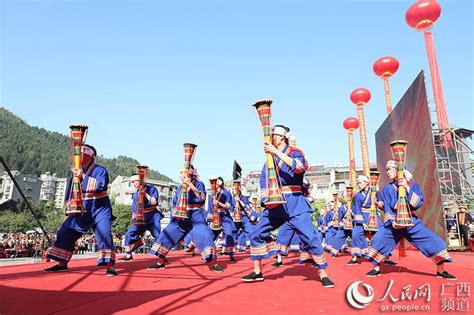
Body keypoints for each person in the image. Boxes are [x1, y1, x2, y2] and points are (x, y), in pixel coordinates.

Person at [241, 125, 334, 288]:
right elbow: (264, 181)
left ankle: (323, 273)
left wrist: (275, 152)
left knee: (310, 237)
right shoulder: (269, 160)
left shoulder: (294, 152)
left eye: (273, 136)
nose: (270, 140)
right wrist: (265, 200)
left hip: (296, 203)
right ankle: (257, 271)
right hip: (276, 204)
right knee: (256, 233)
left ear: (281, 137)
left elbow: (299, 168)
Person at [366, 160, 456, 279]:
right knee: (378, 240)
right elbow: (388, 208)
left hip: (410, 222)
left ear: (398, 169)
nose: (387, 172)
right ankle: (376, 268)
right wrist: (384, 210)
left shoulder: (411, 184)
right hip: (393, 224)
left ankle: (441, 271)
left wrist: (406, 188)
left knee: (435, 242)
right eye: (386, 169)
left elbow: (418, 202)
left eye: (389, 169)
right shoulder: (387, 188)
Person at [44, 144, 117, 276]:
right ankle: (62, 263)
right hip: (82, 208)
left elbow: (100, 186)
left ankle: (110, 266)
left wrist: (83, 176)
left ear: (90, 156)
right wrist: (69, 207)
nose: (78, 157)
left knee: (104, 234)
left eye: (81, 154)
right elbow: (70, 193)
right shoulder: (74, 176)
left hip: (100, 208)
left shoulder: (100, 170)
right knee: (65, 231)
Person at [148, 165, 223, 272]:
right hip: (181, 217)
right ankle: (161, 262)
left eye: (183, 172)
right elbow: (174, 205)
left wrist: (190, 184)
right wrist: (175, 215)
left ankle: (214, 263)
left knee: (206, 236)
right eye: (180, 172)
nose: (181, 175)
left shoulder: (198, 184)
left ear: (190, 174)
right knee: (166, 234)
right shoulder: (179, 188)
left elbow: (202, 198)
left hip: (196, 216)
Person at [119, 174, 163, 261]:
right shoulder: (136, 194)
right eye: (131, 182)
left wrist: (144, 192)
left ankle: (162, 256)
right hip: (140, 218)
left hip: (152, 217)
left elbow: (154, 202)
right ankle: (129, 254)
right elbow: (134, 209)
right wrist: (133, 219)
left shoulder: (151, 189)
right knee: (128, 234)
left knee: (158, 236)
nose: (133, 183)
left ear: (141, 180)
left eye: (134, 181)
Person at [208, 177, 236, 262]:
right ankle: (208, 254)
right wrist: (210, 219)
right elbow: (210, 208)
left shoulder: (226, 193)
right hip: (215, 216)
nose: (213, 184)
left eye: (215, 182)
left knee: (229, 234)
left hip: (224, 216)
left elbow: (228, 206)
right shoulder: (211, 194)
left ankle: (231, 255)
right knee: (211, 235)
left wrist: (219, 203)